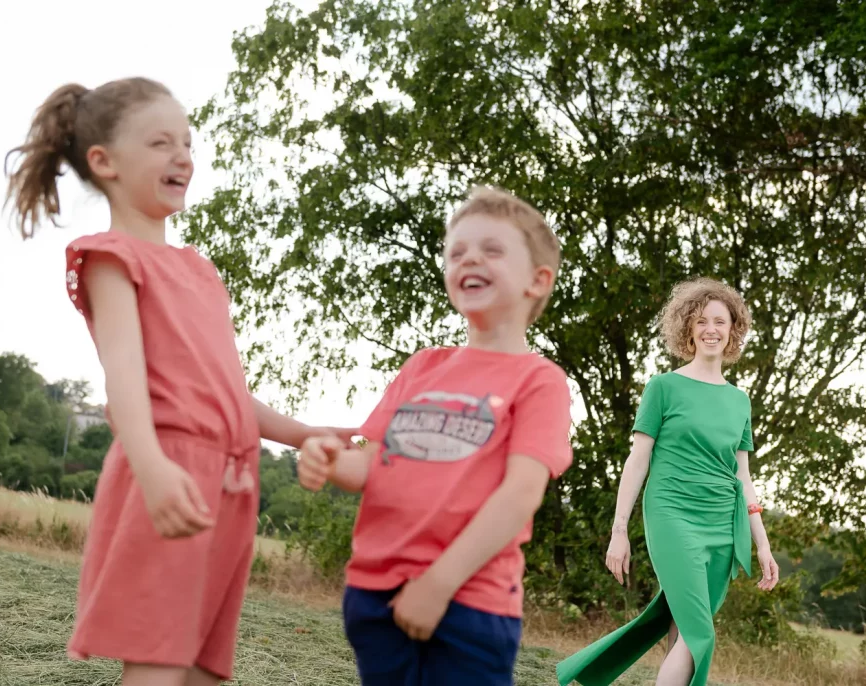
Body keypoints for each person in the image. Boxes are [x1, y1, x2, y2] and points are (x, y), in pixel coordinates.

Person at [4, 77, 353, 686]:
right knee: (158, 665)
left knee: (202, 671)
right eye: (161, 142)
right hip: (167, 469)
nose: (183, 156)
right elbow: (124, 379)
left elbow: (225, 391)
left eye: (187, 142)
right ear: (104, 162)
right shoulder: (112, 258)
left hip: (232, 484)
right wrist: (153, 467)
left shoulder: (199, 269)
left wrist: (304, 433)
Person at [297, 186, 574, 686]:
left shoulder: (539, 380)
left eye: (491, 249)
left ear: (538, 280)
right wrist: (329, 459)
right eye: (456, 252)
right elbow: (370, 462)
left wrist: (438, 584)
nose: (469, 258)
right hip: (373, 592)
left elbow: (519, 497)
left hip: (469, 599)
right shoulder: (422, 366)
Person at [557, 278, 779, 686]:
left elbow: (743, 476)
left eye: (720, 321)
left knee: (682, 625)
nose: (711, 329)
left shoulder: (739, 401)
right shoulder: (663, 387)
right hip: (672, 513)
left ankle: (583, 672)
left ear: (734, 330)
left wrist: (761, 543)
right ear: (688, 329)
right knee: (701, 636)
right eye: (702, 321)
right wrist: (619, 530)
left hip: (720, 524)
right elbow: (637, 460)